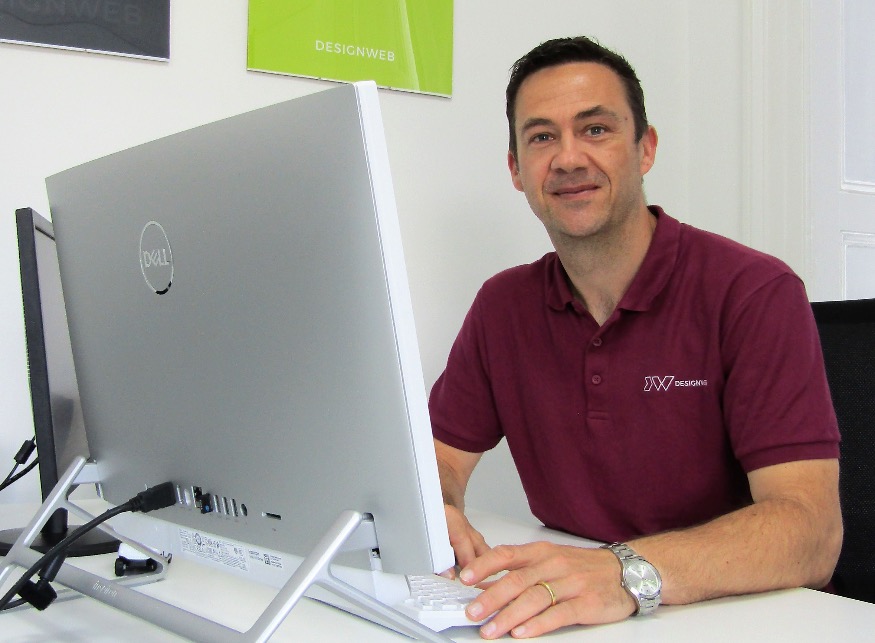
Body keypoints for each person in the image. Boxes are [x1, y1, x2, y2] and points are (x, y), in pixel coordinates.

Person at [429, 36, 842, 639]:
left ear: (645, 148)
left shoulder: (754, 291)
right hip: (581, 619)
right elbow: (440, 457)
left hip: (736, 618)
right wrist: (438, 507)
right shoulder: (503, 305)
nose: (568, 158)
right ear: (516, 169)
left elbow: (811, 533)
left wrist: (623, 572)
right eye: (541, 137)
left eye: (595, 129)